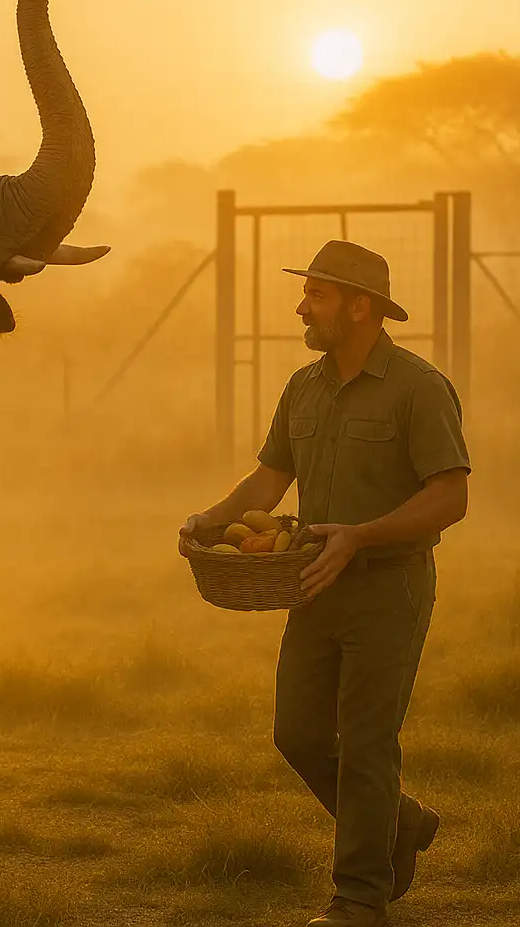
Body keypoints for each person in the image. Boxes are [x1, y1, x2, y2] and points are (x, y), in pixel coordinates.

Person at [179, 240, 470, 927]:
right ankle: (399, 820)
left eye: (317, 295)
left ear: (360, 307)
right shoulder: (303, 386)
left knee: (368, 743)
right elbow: (270, 478)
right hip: (310, 583)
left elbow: (450, 498)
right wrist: (210, 520)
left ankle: (358, 899)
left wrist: (361, 535)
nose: (302, 306)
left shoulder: (418, 388)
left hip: (388, 587)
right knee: (299, 734)